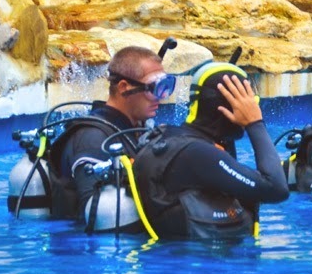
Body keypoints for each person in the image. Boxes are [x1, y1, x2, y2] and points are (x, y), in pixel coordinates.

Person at [130, 62, 289, 239]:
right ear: (228, 107)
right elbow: (276, 189)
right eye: (250, 104)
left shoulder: (181, 140)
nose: (254, 109)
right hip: (193, 256)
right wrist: (255, 123)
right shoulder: (198, 153)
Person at [48, 46, 174, 228]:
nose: (160, 97)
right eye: (153, 88)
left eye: (165, 87)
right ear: (124, 87)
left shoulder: (133, 129)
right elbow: (99, 216)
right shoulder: (93, 139)